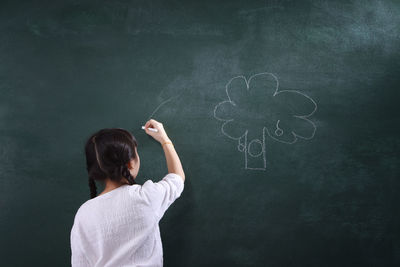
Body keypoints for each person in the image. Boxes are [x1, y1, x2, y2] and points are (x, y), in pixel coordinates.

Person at [70, 119, 185, 267]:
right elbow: (177, 178)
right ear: (130, 164)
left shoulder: (83, 214)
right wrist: (164, 139)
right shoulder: (145, 197)